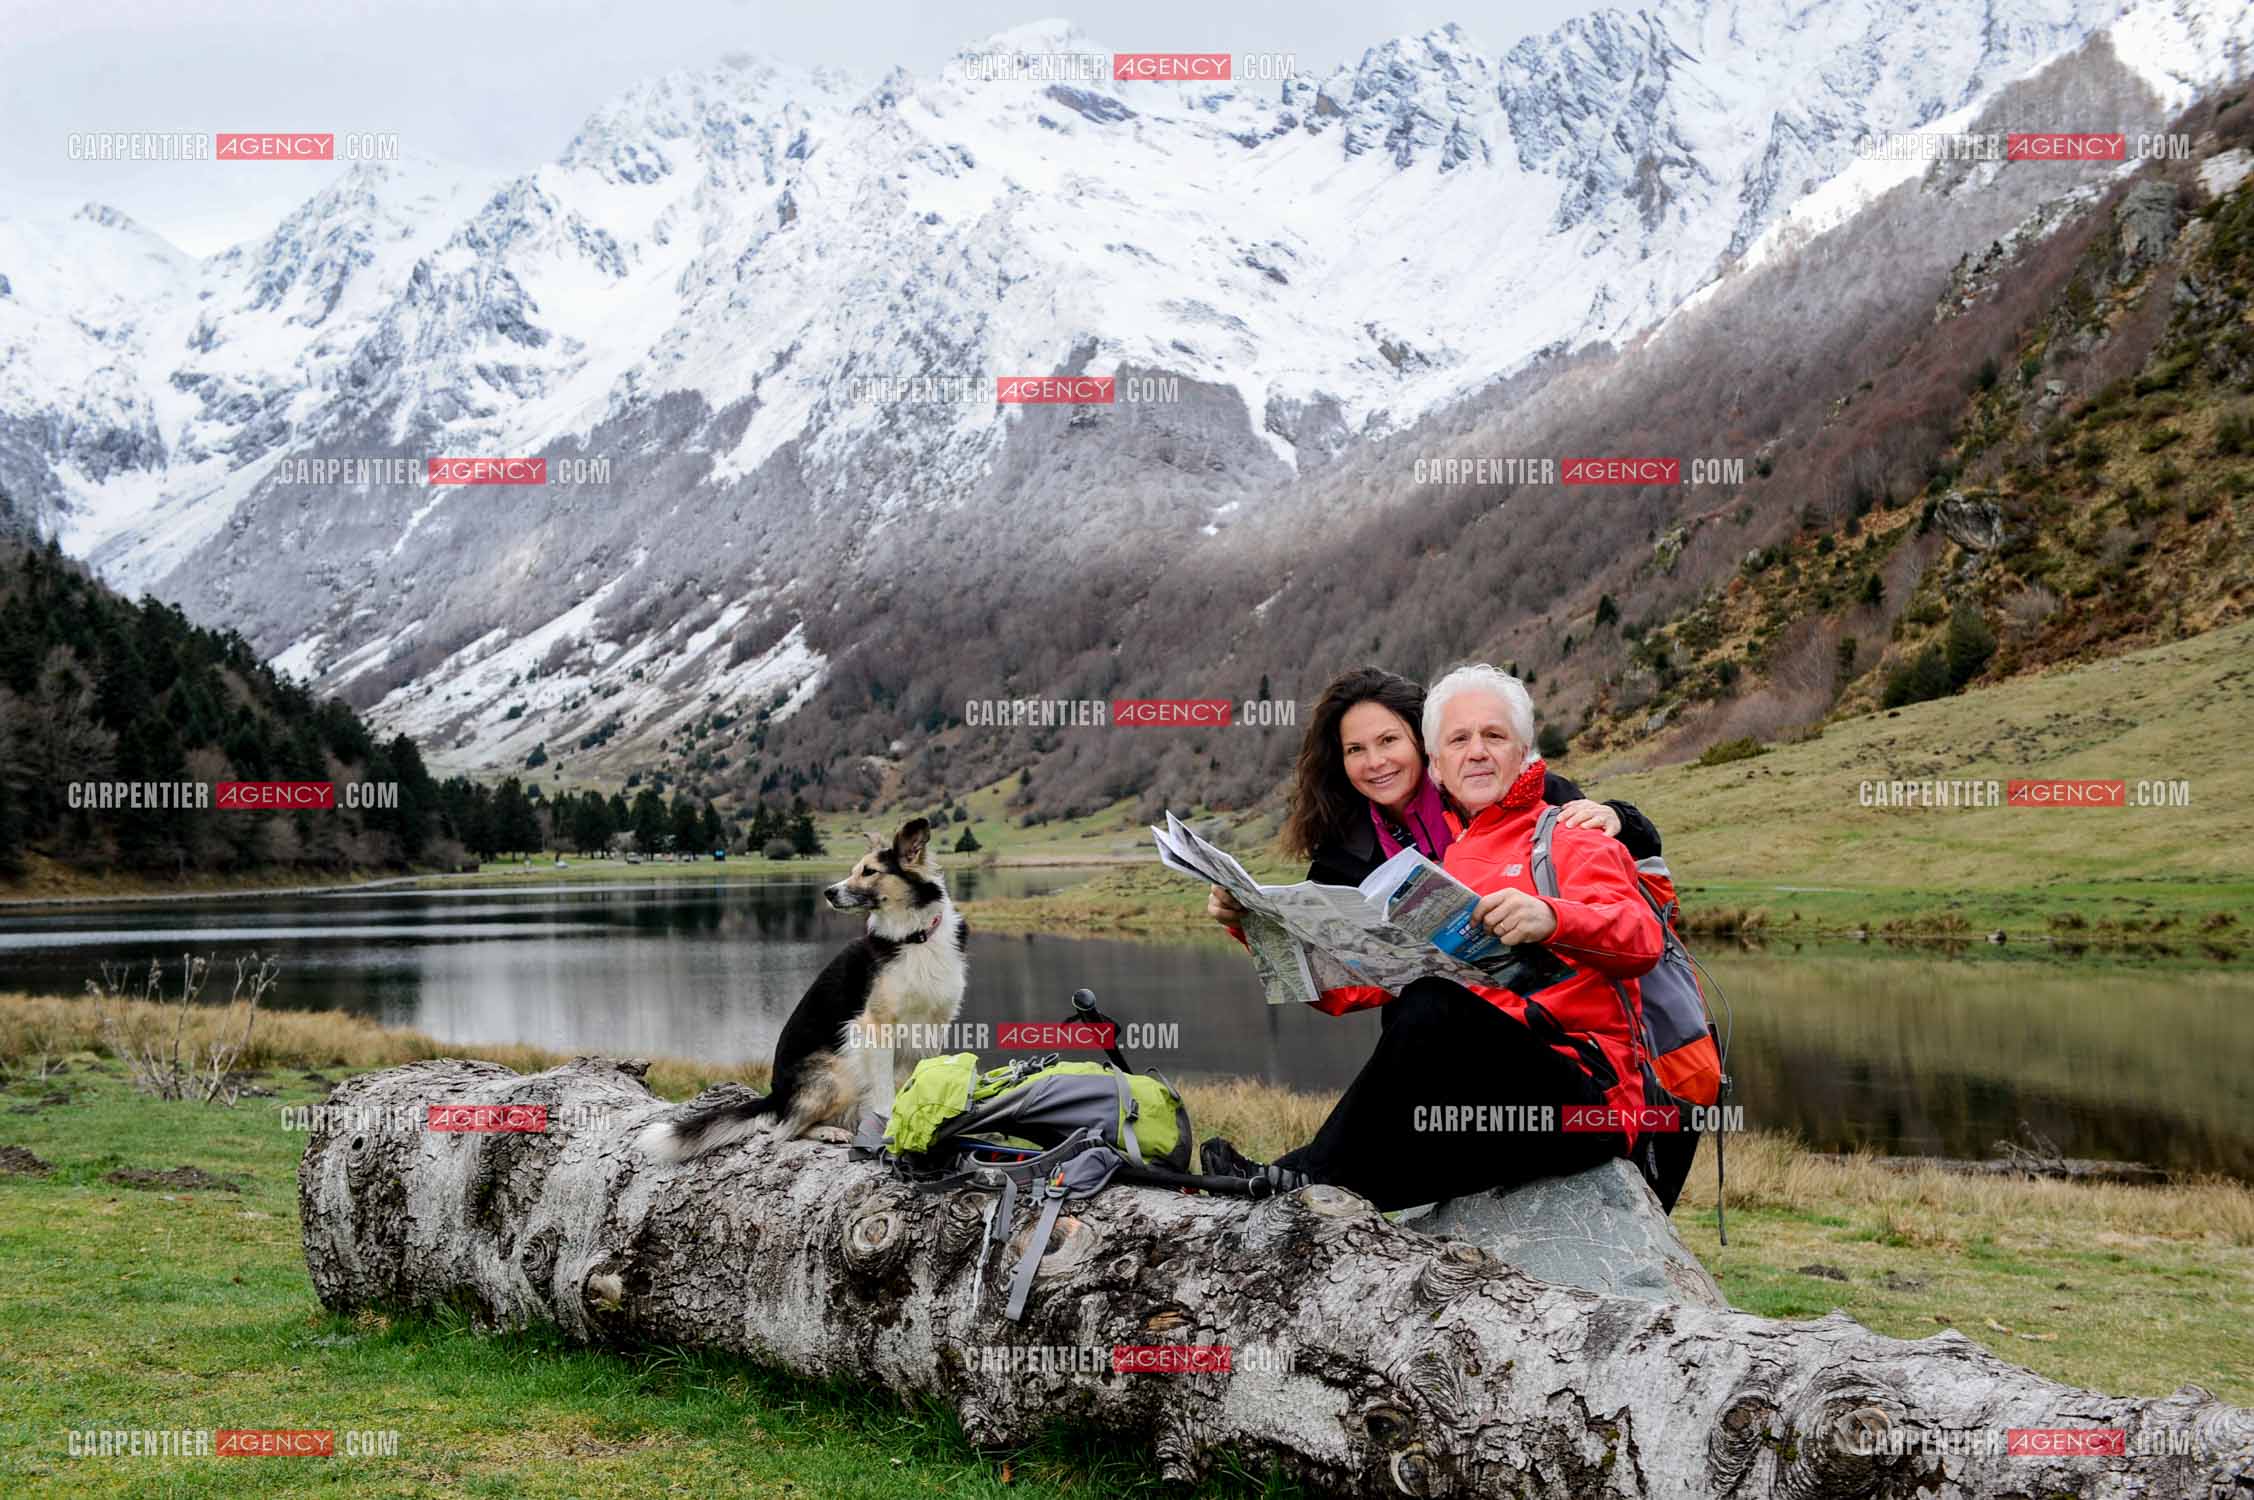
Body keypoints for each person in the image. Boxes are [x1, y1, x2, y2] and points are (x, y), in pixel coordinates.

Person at [1202, 664, 1682, 1211]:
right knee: (1378, 1172)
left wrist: (1554, 918)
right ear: (1438, 764)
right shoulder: (1450, 861)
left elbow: (1643, 940)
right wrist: (1253, 928)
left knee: (1433, 1001)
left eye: (1494, 736)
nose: (1476, 751)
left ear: (1523, 748)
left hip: (1588, 1098)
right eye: (1459, 740)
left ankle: (1305, 1172)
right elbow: (1355, 990)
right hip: (1491, 1106)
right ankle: (1273, 1189)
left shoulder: (1567, 831)